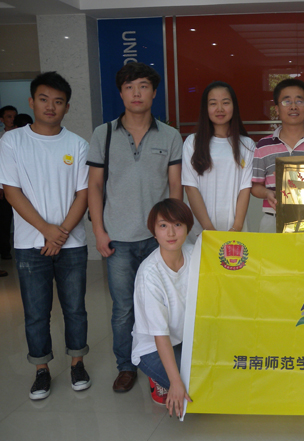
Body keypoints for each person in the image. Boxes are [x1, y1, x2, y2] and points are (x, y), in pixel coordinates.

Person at [87, 62, 183, 393]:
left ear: (154, 92)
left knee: (163, 304)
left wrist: (172, 232)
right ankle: (126, 366)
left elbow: (175, 186)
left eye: (143, 86)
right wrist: (99, 231)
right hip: (118, 239)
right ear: (121, 93)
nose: (136, 93)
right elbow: (94, 186)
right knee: (123, 308)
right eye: (129, 87)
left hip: (158, 239)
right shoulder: (103, 134)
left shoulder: (170, 135)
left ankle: (163, 364)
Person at [0, 72, 91, 399]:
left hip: (72, 245)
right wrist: (47, 231)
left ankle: (77, 363)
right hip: (29, 245)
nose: (50, 106)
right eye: (43, 99)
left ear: (67, 107)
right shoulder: (12, 141)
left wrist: (60, 234)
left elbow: (83, 194)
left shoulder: (78, 145)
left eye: (58, 101)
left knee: (75, 308)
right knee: (36, 312)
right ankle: (41, 369)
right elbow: (12, 192)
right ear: (32, 102)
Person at [132, 198, 193, 417]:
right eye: (163, 225)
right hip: (154, 348)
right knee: (194, 390)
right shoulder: (149, 274)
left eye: (177, 224)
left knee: (219, 376)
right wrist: (175, 382)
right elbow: (160, 335)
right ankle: (158, 378)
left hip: (185, 339)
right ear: (154, 232)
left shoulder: (195, 254)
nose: (171, 233)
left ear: (187, 228)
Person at [251, 78, 304, 233]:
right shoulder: (263, 145)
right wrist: (268, 193)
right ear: (277, 109)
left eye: (299, 101)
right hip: (273, 219)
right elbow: (255, 186)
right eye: (286, 101)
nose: (293, 106)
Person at [182, 81, 254, 242]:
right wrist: (209, 230)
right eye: (213, 103)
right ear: (205, 108)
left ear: (234, 106)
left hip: (236, 231)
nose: (219, 109)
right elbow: (190, 188)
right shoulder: (192, 142)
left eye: (225, 103)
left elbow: (245, 188)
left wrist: (236, 227)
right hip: (200, 230)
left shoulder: (246, 144)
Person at [0, 105, 18, 265]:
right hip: (5, 185)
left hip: (21, 185)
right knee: (5, 220)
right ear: (2, 120)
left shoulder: (22, 136)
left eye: (14, 116)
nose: (12, 120)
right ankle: (5, 250)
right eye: (8, 117)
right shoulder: (1, 138)